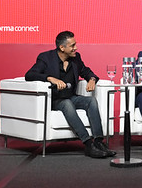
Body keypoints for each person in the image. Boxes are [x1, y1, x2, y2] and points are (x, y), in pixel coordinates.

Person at [24, 31, 116, 159]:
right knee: (66, 104)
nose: (76, 48)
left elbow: (86, 71)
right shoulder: (46, 58)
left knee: (91, 101)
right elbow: (29, 75)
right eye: (72, 46)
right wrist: (50, 78)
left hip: (71, 96)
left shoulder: (75, 58)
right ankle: (88, 144)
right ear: (62, 48)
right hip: (54, 99)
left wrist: (92, 79)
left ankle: (99, 142)